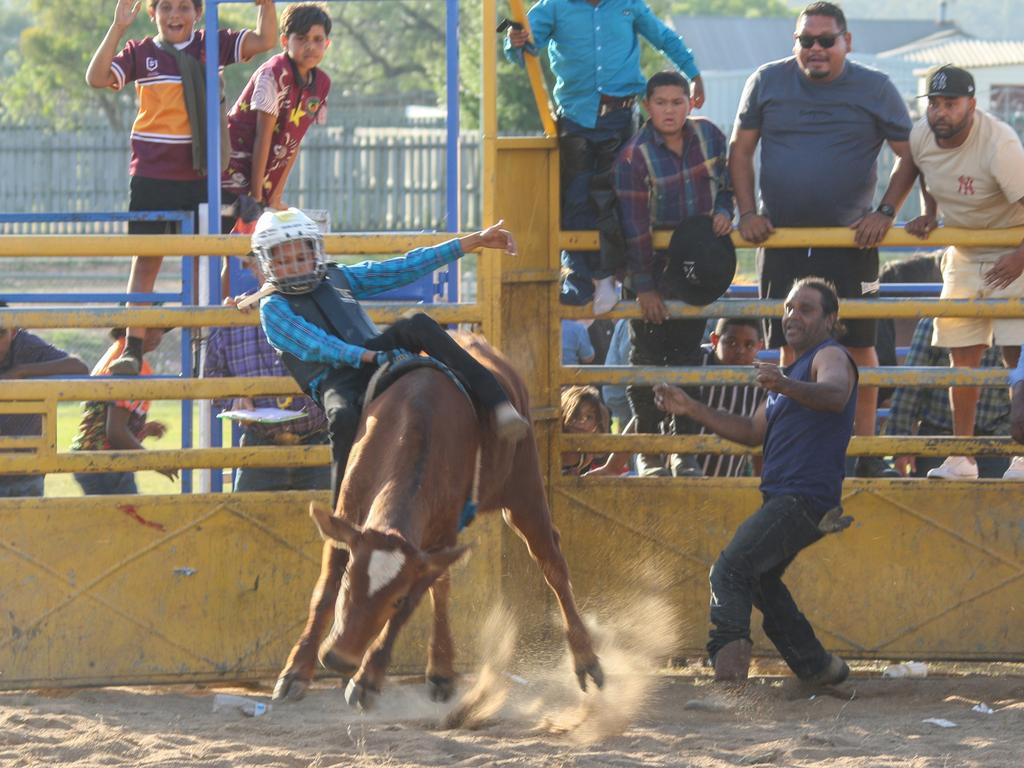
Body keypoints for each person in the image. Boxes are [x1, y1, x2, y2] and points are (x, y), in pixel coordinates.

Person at [732, 1, 913, 477]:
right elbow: (740, 149)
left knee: (858, 348)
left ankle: (866, 454)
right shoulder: (766, 81)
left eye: (825, 40)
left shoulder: (876, 88)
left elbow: (909, 155)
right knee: (790, 350)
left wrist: (886, 212)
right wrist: (747, 212)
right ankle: (798, 449)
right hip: (783, 238)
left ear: (846, 42)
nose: (815, 49)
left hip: (851, 242)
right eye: (805, 40)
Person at [244, 208, 530, 505]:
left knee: (418, 323)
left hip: (372, 351)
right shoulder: (272, 308)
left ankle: (498, 404)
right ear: (269, 264)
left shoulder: (337, 276)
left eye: (301, 257)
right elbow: (318, 346)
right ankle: (344, 507)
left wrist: (472, 242)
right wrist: (366, 357)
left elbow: (399, 269)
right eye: (284, 261)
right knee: (342, 417)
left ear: (315, 252)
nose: (296, 268)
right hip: (336, 379)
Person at [654, 278, 856, 685]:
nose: (793, 316)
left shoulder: (829, 355)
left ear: (830, 319)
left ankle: (729, 681)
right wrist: (691, 406)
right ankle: (819, 667)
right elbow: (750, 430)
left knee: (728, 571)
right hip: (793, 498)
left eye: (806, 309)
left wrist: (783, 383)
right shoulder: (793, 371)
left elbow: (835, 394)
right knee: (759, 580)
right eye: (788, 308)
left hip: (802, 496)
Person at [86, 0, 279, 376]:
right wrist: (118, 27)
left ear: (198, 12)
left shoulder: (213, 44)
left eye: (184, 8)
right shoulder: (140, 52)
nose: (175, 15)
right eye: (167, 8)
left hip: (201, 175)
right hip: (153, 175)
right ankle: (134, 346)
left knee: (205, 260)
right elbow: (96, 77)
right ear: (153, 13)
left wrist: (267, 5)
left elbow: (265, 39)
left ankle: (193, 339)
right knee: (146, 261)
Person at [857, 64, 1024, 481]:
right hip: (966, 251)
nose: (941, 112)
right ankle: (961, 456)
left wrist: (1019, 258)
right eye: (934, 103)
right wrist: (920, 212)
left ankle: (1022, 457)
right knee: (960, 354)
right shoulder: (922, 136)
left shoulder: (999, 144)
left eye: (951, 104)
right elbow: (912, 169)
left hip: (1013, 247)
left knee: (1015, 354)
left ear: (971, 104)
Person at [505, 0, 704, 314]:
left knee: (618, 198)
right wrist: (516, 43)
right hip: (576, 117)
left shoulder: (628, 5)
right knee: (576, 197)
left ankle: (609, 275)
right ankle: (581, 276)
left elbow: (663, 37)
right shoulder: (553, 7)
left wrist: (692, 72)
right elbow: (524, 47)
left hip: (621, 118)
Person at [613, 70, 733, 477]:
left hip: (695, 270)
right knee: (646, 357)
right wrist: (644, 287)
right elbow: (634, 229)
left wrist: (724, 210)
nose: (669, 110)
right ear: (647, 106)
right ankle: (648, 449)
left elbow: (730, 184)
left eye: (677, 102)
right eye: (661, 102)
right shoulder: (634, 156)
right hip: (650, 273)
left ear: (690, 103)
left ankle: (683, 448)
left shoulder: (711, 138)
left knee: (687, 357)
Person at [204, 256, 331, 492]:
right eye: (267, 261)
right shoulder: (233, 319)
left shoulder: (320, 307)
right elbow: (213, 379)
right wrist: (235, 400)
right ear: (253, 267)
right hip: (260, 447)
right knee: (248, 523)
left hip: (319, 443)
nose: (277, 270)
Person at [222, 1, 332, 234]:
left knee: (248, 258)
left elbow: (295, 140)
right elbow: (263, 136)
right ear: (285, 41)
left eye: (317, 40)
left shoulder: (321, 84)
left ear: (327, 44)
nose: (310, 46)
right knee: (216, 246)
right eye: (301, 38)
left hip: (262, 181)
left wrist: (274, 197)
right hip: (232, 172)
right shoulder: (273, 73)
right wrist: (256, 196)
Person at [882, 317, 1012, 479]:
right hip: (939, 439)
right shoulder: (935, 322)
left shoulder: (1009, 326)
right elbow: (912, 384)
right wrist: (901, 444)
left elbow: (911, 385)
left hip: (991, 443)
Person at [70, 328, 178, 495]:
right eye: (150, 329)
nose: (158, 335)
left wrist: (143, 429)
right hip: (105, 466)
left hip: (96, 461)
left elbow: (110, 422)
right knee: (127, 518)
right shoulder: (127, 365)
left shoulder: (117, 354)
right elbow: (115, 432)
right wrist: (156, 463)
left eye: (160, 330)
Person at [0, 306, 89, 497]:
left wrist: (22, 371)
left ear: (13, 331)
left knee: (29, 525)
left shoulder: (27, 345)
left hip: (27, 468)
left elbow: (79, 367)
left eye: (0, 334)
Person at [693, 319, 766, 478]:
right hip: (674, 480)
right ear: (715, 340)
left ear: (759, 346)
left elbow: (759, 447)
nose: (740, 351)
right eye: (731, 343)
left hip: (724, 485)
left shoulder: (761, 382)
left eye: (749, 345)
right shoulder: (694, 363)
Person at [560, 385, 629, 476]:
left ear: (596, 424)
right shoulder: (554, 440)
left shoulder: (586, 455)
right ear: (564, 415)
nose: (581, 422)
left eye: (589, 417)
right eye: (575, 415)